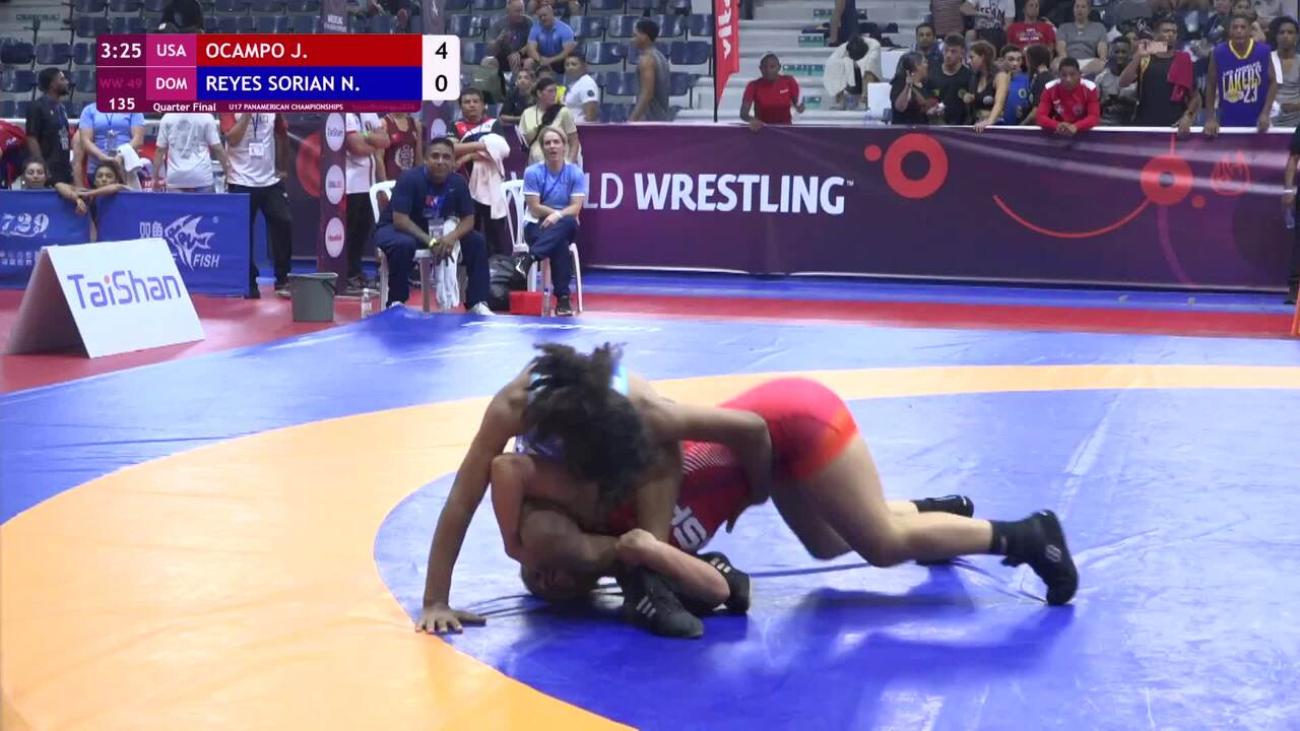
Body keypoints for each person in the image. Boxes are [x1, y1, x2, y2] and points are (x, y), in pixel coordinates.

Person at [497, 378, 1079, 629]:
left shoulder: (626, 499)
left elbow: (742, 431)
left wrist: (754, 491)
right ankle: (931, 513)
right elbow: (722, 587)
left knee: (881, 546)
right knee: (827, 544)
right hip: (774, 454)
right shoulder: (634, 551)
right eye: (549, 585)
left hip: (788, 423)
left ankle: (1029, 535)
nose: (549, 579)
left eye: (541, 570)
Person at [414, 342, 776, 635]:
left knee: (662, 442)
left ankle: (653, 563)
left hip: (631, 477)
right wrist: (435, 600)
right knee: (545, 563)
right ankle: (652, 566)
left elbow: (753, 428)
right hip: (567, 488)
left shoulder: (646, 412)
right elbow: (462, 500)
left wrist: (754, 495)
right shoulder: (514, 407)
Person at [372, 137, 492, 314]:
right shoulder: (409, 178)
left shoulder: (458, 182)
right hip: (398, 229)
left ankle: (477, 302)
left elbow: (468, 219)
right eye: (435, 156)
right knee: (403, 245)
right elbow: (400, 219)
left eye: (446, 157)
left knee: (476, 241)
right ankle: (396, 302)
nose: (440, 161)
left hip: (436, 231)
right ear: (426, 159)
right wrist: (430, 241)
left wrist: (451, 238)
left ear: (453, 161)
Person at [1205, 12, 1278, 134]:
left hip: (1257, 120)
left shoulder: (1263, 51)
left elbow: (1273, 82)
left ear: (1250, 30)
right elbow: (1211, 85)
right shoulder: (1218, 52)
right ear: (1229, 31)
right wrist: (1210, 118)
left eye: (1243, 27)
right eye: (1235, 27)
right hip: (1228, 119)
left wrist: (1266, 113)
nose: (1239, 31)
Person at [1035, 56, 1102, 134]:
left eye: (1072, 74)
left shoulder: (1090, 88)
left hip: (1084, 132)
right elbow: (1040, 117)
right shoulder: (1049, 88)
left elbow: (1094, 117)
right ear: (1058, 75)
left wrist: (1076, 126)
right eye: (1064, 75)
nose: (1068, 79)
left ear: (1080, 74)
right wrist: (1057, 125)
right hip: (1058, 132)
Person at [741, 53, 806, 130]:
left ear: (779, 67)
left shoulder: (789, 81)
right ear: (760, 69)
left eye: (772, 67)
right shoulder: (753, 85)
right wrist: (752, 119)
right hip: (762, 130)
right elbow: (743, 114)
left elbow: (797, 104)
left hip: (786, 131)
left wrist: (800, 107)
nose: (768, 70)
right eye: (765, 67)